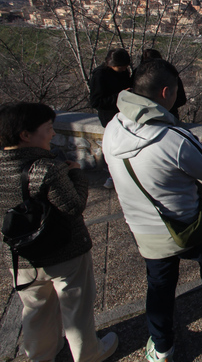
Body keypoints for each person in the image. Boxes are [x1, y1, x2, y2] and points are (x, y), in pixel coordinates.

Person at [102, 59, 202, 362]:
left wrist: (192, 149)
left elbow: (156, 163)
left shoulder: (112, 128)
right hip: (187, 222)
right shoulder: (173, 138)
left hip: (144, 230)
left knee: (159, 289)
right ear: (165, 93)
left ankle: (162, 347)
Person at [0, 102, 118, 362]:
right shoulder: (45, 168)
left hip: (20, 257)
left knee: (35, 309)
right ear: (25, 135)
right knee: (77, 309)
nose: (53, 134)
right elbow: (73, 206)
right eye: (48, 129)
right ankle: (88, 353)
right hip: (64, 253)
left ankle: (41, 355)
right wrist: (76, 176)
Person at [89, 48, 132, 189]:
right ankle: (112, 176)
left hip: (125, 114)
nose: (124, 69)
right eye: (121, 67)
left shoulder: (123, 72)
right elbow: (96, 102)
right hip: (110, 117)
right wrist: (120, 95)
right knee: (115, 149)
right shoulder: (99, 75)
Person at [139, 48, 187, 119]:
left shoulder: (138, 75)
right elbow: (181, 99)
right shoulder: (170, 74)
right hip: (168, 116)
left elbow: (181, 99)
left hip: (144, 116)